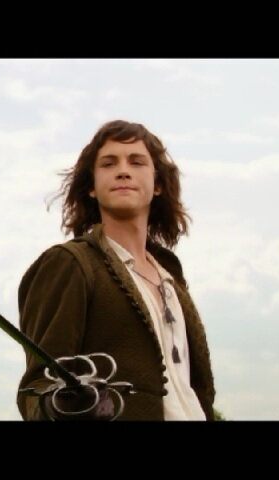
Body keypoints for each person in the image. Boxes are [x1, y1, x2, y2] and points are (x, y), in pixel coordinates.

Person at [16, 120, 216, 421]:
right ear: (91, 187)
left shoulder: (171, 277)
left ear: (158, 184)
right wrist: (58, 406)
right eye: (109, 164)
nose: (123, 171)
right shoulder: (70, 263)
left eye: (137, 162)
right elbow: (38, 386)